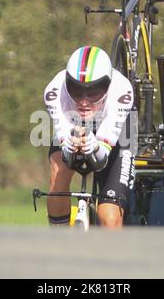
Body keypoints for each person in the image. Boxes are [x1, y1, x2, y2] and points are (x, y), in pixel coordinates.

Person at [44, 45, 135, 229]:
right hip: (74, 128)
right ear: (68, 84)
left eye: (93, 92)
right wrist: (68, 147)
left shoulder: (122, 92)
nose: (84, 101)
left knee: (109, 217)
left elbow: (101, 158)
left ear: (107, 86)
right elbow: (66, 152)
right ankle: (58, 242)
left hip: (116, 136)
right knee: (57, 176)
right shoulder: (54, 91)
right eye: (77, 91)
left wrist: (95, 147)